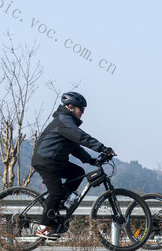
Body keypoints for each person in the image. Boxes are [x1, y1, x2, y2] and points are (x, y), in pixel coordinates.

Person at [30, 92, 112, 239]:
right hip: (46, 161)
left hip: (55, 161)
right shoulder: (64, 120)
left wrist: (92, 160)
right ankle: (43, 227)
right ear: (70, 107)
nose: (82, 113)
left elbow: (75, 148)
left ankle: (60, 202)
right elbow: (81, 137)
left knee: (77, 172)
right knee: (55, 192)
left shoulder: (68, 123)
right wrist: (102, 148)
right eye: (81, 109)